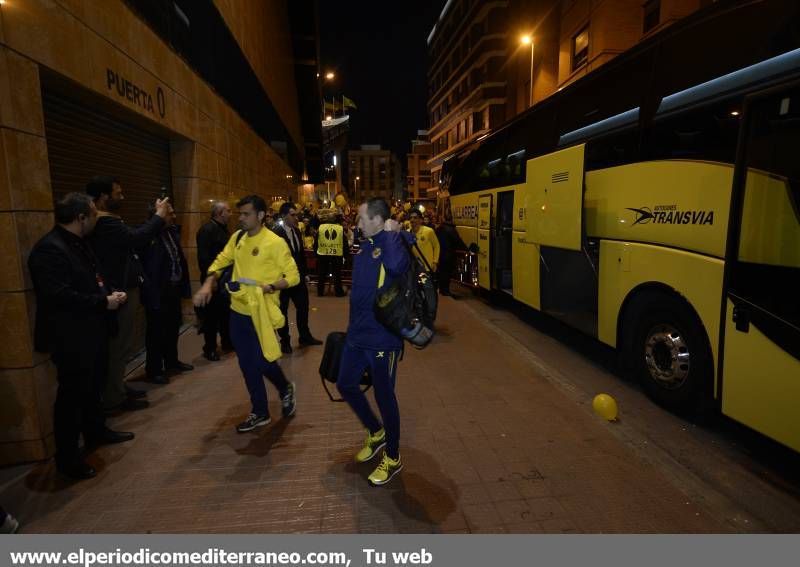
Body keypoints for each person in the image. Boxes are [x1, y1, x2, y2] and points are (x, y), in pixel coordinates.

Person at [28, 193, 134, 480]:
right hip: (71, 337)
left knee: (93, 388)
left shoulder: (79, 244)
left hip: (93, 331)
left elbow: (93, 278)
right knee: (72, 398)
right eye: (93, 215)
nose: (96, 220)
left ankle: (96, 431)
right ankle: (68, 459)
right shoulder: (49, 250)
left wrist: (110, 292)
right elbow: (58, 295)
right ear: (81, 218)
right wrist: (103, 302)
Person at [194, 195, 299, 433]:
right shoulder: (238, 237)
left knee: (262, 361)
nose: (240, 218)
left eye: (246, 214)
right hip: (237, 311)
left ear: (261, 215)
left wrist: (270, 287)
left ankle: (284, 388)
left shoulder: (274, 242)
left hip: (261, 313)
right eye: (239, 214)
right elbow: (221, 260)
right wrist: (209, 282)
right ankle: (260, 411)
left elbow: (293, 276)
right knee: (247, 363)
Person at [337, 198, 411, 486]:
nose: (356, 224)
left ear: (378, 220)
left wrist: (393, 233)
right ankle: (376, 431)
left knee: (384, 396)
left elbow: (394, 268)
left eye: (361, 219)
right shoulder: (366, 246)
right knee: (345, 383)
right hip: (358, 334)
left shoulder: (395, 243)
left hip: (382, 338)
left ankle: (392, 457)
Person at [86, 176, 172, 412]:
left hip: (125, 287)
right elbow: (136, 238)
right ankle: (114, 397)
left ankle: (118, 388)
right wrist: (159, 216)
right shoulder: (104, 222)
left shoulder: (106, 220)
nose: (122, 197)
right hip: (119, 290)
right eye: (118, 193)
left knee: (123, 343)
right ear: (103, 197)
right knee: (118, 345)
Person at [140, 206, 192, 384]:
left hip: (173, 289)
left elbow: (178, 259)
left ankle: (171, 362)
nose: (174, 215)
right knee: (156, 333)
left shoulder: (171, 232)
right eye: (170, 213)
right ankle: (154, 370)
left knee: (172, 328)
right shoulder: (147, 235)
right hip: (157, 292)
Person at [272, 203, 322, 354]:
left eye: (296, 214)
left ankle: (304, 336)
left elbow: (299, 255)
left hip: (298, 278)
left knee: (303, 307)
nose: (296, 217)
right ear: (283, 216)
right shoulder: (275, 234)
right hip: (282, 280)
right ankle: (285, 341)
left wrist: (305, 273)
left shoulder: (296, 231)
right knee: (283, 311)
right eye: (292, 215)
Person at [196, 201, 233, 360]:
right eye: (228, 211)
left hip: (225, 280)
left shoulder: (224, 230)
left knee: (225, 314)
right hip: (213, 280)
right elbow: (204, 259)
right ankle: (209, 348)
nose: (231, 214)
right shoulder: (207, 230)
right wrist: (212, 280)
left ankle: (227, 342)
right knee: (211, 317)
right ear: (220, 213)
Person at [435, 209, 467, 297]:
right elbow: (458, 241)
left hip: (440, 254)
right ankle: (445, 290)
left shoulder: (439, 228)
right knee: (447, 273)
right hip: (448, 254)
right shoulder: (451, 230)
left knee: (441, 272)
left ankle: (441, 289)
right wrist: (466, 249)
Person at [316, 211, 347, 297]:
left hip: (323, 254)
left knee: (321, 274)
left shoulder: (321, 227)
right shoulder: (340, 228)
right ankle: (338, 292)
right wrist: (346, 255)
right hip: (336, 255)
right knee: (337, 275)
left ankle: (320, 292)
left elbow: (316, 241)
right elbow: (344, 242)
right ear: (334, 219)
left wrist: (316, 253)